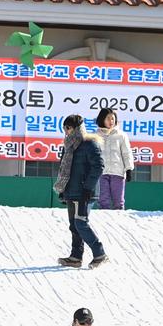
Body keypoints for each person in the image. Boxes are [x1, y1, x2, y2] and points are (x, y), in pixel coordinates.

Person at [55, 115, 107, 267]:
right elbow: (64, 170)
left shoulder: (89, 144)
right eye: (64, 129)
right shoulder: (69, 145)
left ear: (76, 128)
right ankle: (76, 257)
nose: (66, 132)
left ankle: (100, 253)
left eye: (68, 128)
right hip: (72, 191)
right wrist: (63, 189)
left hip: (84, 192)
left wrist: (87, 187)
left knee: (80, 223)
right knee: (73, 225)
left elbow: (99, 167)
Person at [95, 107, 133, 210]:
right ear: (102, 119)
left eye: (113, 118)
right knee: (103, 201)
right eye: (108, 118)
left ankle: (119, 222)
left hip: (118, 173)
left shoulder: (121, 135)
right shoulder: (96, 135)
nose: (111, 121)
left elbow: (126, 153)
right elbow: (93, 155)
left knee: (118, 202)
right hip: (102, 173)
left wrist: (128, 169)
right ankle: (104, 222)